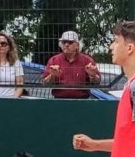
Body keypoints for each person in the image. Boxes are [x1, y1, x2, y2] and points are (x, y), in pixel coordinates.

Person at [72, 21, 135, 155]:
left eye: (116, 41)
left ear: (130, 48)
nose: (111, 46)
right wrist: (94, 145)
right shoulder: (130, 85)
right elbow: (128, 141)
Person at [41, 30, 100, 99]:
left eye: (70, 42)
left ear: (77, 45)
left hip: (82, 102)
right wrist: (52, 76)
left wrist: (92, 76)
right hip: (59, 102)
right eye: (64, 42)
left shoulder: (87, 61)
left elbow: (97, 83)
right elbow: (45, 83)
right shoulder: (54, 60)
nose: (66, 44)